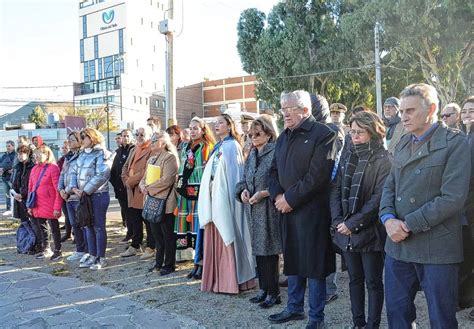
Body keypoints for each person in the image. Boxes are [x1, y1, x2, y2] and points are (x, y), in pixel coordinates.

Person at [379, 83, 470, 328]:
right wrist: (387, 219)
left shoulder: (455, 144)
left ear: (431, 109)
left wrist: (406, 225)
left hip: (437, 246)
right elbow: (389, 187)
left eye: (410, 111)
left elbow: (452, 198)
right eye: (401, 111)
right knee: (397, 315)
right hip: (397, 246)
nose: (403, 117)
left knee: (441, 319)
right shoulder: (401, 143)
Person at [268, 90, 336, 328]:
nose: (284, 113)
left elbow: (317, 176)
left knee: (314, 266)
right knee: (293, 261)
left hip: (313, 212)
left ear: (305, 110)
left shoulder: (324, 134)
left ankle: (317, 318)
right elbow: (273, 170)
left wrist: (290, 199)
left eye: (289, 108)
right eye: (282, 108)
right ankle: (294, 308)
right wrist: (278, 195)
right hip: (286, 209)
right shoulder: (283, 137)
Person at [330, 111, 391, 329]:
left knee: (373, 282)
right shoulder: (349, 155)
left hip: (370, 232)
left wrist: (352, 224)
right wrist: (338, 221)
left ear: (373, 132)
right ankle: (358, 323)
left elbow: (378, 198)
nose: (354, 136)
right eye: (352, 131)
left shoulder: (384, 159)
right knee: (355, 280)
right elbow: (336, 188)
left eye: (359, 132)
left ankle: (372, 325)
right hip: (345, 230)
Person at [198, 113, 256, 294]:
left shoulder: (231, 146)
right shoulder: (219, 146)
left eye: (220, 123)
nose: (217, 125)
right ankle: (216, 279)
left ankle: (230, 281)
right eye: (215, 123)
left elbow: (234, 176)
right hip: (214, 197)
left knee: (227, 233)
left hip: (226, 200)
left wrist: (231, 196)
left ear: (229, 126)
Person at [236, 114, 282, 308]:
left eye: (257, 134)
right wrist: (243, 191)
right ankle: (263, 289)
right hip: (254, 211)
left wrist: (264, 193)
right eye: (250, 134)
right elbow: (244, 180)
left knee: (270, 253)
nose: (253, 137)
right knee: (258, 252)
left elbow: (283, 181)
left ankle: (274, 292)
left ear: (269, 134)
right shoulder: (252, 154)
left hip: (269, 210)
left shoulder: (276, 153)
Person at [175, 117, 215, 279]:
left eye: (195, 128)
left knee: (200, 228)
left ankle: (202, 263)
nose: (192, 131)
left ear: (203, 130)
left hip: (200, 192)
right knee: (188, 227)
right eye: (190, 128)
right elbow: (182, 168)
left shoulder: (207, 147)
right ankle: (195, 262)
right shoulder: (185, 147)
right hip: (185, 193)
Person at [68, 128, 112, 270]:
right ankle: (92, 255)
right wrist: (74, 188)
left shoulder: (101, 153)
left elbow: (102, 174)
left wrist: (86, 190)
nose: (81, 139)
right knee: (87, 225)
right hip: (83, 196)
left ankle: (101, 257)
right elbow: (74, 172)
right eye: (80, 136)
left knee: (98, 226)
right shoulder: (81, 154)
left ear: (92, 137)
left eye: (84, 136)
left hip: (98, 195)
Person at [140, 131, 179, 275]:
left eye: (155, 140)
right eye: (152, 139)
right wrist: (143, 186)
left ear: (163, 142)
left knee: (168, 235)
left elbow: (167, 180)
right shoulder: (152, 159)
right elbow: (144, 178)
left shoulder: (169, 158)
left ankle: (169, 264)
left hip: (166, 201)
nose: (152, 142)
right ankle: (158, 263)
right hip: (152, 200)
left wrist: (149, 188)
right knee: (156, 235)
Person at [121, 126, 156, 259]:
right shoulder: (134, 149)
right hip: (131, 189)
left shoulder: (151, 149)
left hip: (142, 189)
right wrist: (125, 179)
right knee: (134, 219)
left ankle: (151, 247)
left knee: (147, 220)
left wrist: (131, 181)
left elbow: (147, 169)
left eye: (142, 134)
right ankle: (135, 245)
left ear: (149, 136)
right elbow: (125, 166)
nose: (139, 136)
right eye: (137, 134)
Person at [28, 145, 63, 261]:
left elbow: (58, 189)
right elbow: (31, 188)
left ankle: (58, 250)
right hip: (38, 204)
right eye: (35, 154)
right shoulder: (34, 169)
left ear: (47, 154)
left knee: (54, 228)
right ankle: (46, 248)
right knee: (42, 228)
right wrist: (30, 205)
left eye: (39, 153)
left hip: (50, 204)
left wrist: (57, 206)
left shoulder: (53, 168)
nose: (36, 156)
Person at [58, 131, 88, 262]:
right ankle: (80, 250)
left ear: (79, 141)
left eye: (72, 140)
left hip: (77, 195)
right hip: (67, 197)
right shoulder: (67, 157)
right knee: (74, 224)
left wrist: (69, 190)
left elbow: (78, 177)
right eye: (68, 140)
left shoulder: (83, 156)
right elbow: (63, 174)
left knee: (83, 224)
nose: (69, 142)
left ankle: (88, 250)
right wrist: (60, 189)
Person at [460, 96, 474, 313]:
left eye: (472, 110)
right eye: (465, 111)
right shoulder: (466, 136)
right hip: (466, 205)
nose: (467, 114)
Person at [11, 145, 38, 251]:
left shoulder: (32, 167)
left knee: (33, 222)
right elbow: (14, 182)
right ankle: (27, 244)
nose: (20, 156)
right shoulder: (18, 167)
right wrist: (15, 194)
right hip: (19, 198)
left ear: (28, 154)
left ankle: (36, 243)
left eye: (22, 153)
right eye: (18, 154)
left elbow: (32, 184)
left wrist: (23, 194)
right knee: (24, 222)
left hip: (29, 198)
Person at [110, 129, 135, 244]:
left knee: (132, 213)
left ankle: (134, 234)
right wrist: (115, 183)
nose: (125, 138)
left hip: (130, 187)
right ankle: (129, 233)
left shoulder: (133, 150)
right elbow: (114, 169)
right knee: (125, 212)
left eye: (127, 136)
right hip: (119, 188)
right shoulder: (119, 151)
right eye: (123, 136)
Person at [57, 140, 72, 243]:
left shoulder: (73, 159)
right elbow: (60, 175)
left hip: (71, 190)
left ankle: (74, 233)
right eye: (63, 148)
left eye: (66, 148)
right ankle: (68, 233)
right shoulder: (61, 160)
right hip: (62, 189)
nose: (64, 149)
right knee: (67, 214)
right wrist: (60, 189)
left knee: (74, 215)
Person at [0, 140, 16, 216]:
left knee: (14, 193)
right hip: (4, 178)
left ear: (13, 146)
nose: (7, 148)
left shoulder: (15, 155)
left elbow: (13, 164)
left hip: (11, 178)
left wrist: (4, 169)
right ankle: (8, 209)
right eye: (6, 146)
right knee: (7, 194)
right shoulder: (4, 155)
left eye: (9, 146)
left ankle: (16, 209)